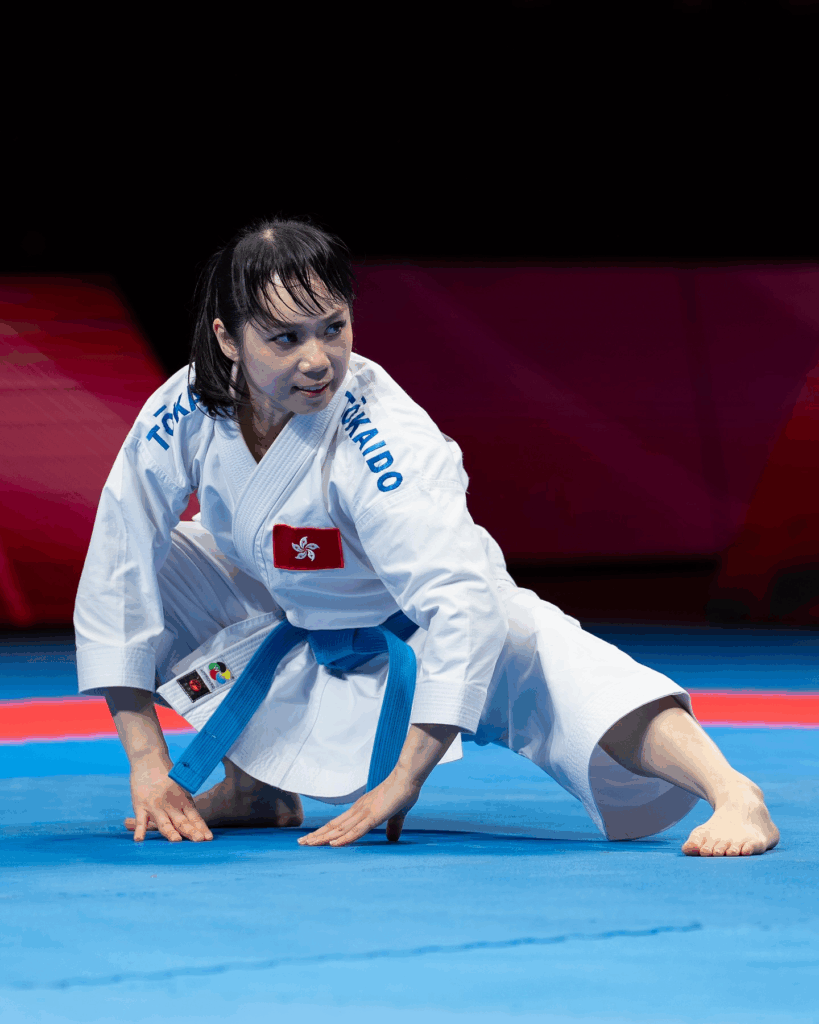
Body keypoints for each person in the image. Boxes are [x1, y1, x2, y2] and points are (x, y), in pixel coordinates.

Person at [74, 215, 780, 857]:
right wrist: (148, 762)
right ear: (228, 339)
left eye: (333, 328)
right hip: (294, 608)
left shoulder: (384, 439)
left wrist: (404, 778)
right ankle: (256, 788)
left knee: (546, 656)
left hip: (417, 627)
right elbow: (118, 556)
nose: (317, 359)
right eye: (285, 338)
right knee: (154, 562)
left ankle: (732, 792)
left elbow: (459, 604)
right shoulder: (187, 405)